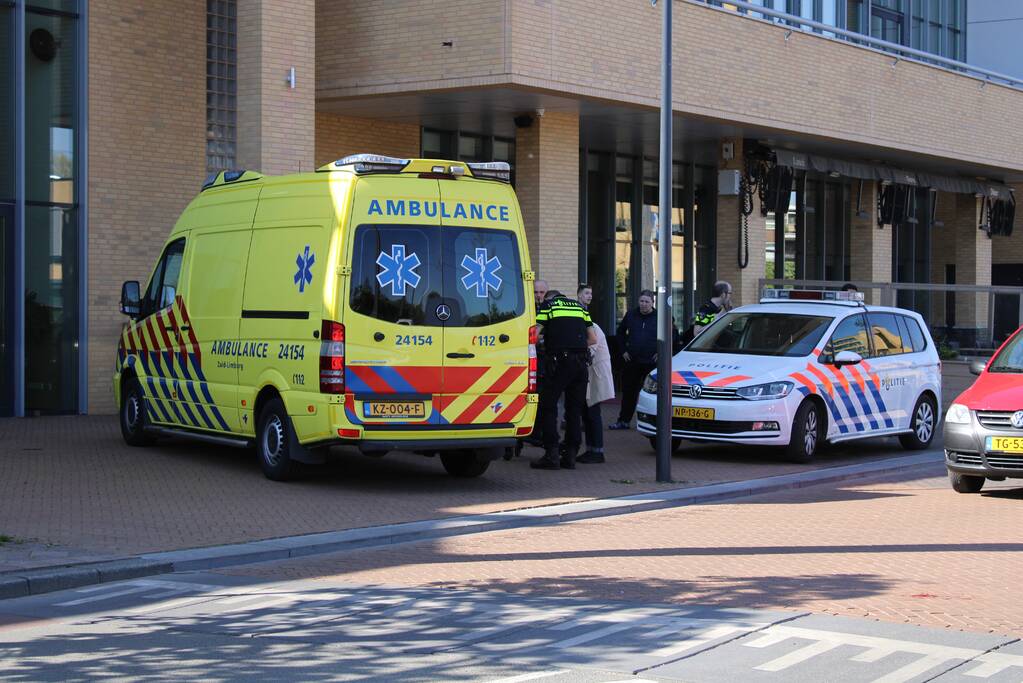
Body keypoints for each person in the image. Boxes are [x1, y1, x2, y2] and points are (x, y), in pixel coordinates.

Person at [531, 289, 597, 470]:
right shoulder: (579, 308)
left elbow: (534, 336)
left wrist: (548, 343)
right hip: (581, 364)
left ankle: (551, 454)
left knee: (548, 405)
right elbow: (593, 339)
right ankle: (570, 455)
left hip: (559, 363)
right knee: (574, 410)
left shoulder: (548, 306)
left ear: (549, 298)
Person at [608, 290, 658, 430]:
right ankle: (623, 421)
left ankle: (656, 423)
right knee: (629, 393)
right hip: (633, 361)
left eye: (647, 301)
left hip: (651, 362)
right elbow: (620, 333)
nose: (643, 304)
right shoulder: (631, 315)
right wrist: (623, 350)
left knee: (653, 394)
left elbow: (671, 335)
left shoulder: (660, 317)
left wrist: (661, 352)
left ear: (652, 303)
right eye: (641, 301)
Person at [575, 284, 613, 463]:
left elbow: (591, 347)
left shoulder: (590, 324)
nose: (590, 296)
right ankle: (592, 450)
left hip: (594, 373)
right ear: (578, 295)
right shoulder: (584, 318)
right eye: (586, 293)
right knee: (588, 412)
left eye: (591, 293)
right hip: (590, 373)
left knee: (592, 412)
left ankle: (597, 452)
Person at [679, 280, 733, 346]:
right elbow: (696, 332)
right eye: (730, 293)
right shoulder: (706, 309)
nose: (730, 296)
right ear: (723, 294)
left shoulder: (720, 308)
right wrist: (716, 321)